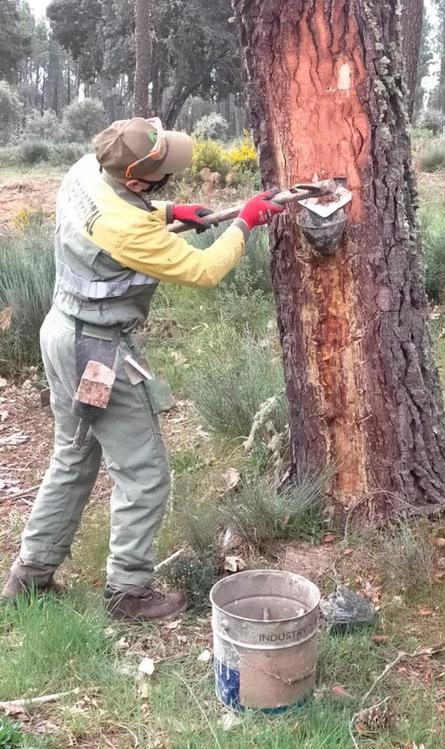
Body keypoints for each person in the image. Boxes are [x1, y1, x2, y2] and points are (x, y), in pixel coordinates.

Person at [1, 117, 284, 620]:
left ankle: (30, 575)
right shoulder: (126, 227)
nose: (170, 179)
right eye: (163, 177)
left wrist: (171, 211)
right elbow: (203, 270)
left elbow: (127, 213)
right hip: (98, 354)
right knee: (146, 475)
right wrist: (245, 223)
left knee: (73, 457)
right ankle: (128, 591)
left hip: (60, 332)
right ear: (134, 179)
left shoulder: (86, 170)